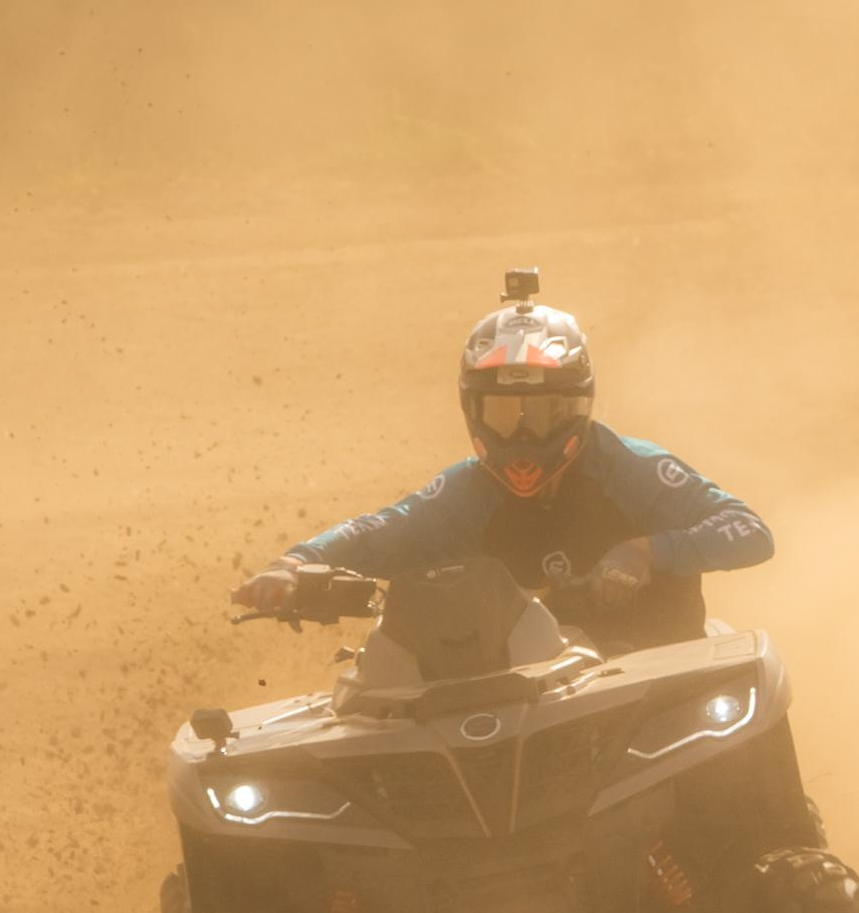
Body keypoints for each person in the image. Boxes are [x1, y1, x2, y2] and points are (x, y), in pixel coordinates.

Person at [232, 270, 772, 653]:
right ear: (473, 410)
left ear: (579, 406)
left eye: (543, 413)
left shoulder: (632, 468)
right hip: (522, 696)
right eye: (503, 413)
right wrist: (295, 564)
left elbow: (749, 531)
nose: (522, 435)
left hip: (658, 681)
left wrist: (648, 552)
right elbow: (380, 532)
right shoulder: (464, 493)